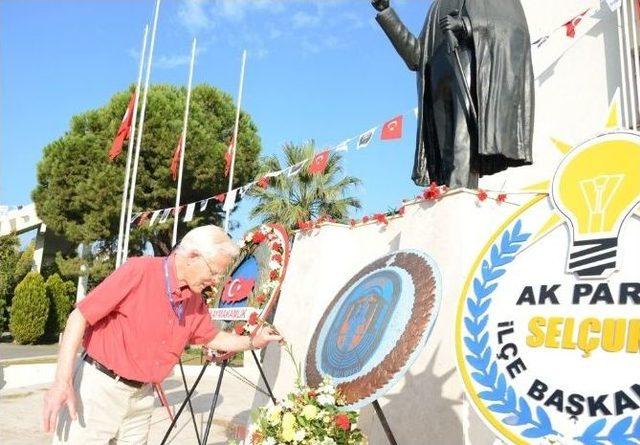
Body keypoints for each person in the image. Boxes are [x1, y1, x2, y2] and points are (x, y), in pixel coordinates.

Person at [42, 225, 283, 444]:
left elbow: (212, 337)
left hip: (143, 395)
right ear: (192, 256)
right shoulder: (139, 271)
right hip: (99, 391)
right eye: (214, 272)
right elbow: (79, 317)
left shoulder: (194, 300)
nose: (216, 281)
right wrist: (61, 383)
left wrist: (253, 341)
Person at [371, 0, 534, 188]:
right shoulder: (436, 7)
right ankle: (448, 199)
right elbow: (416, 57)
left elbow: (513, 27)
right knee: (445, 159)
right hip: (437, 88)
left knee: (462, 149)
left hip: (469, 76)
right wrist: (386, 12)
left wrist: (465, 25)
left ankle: (459, 201)